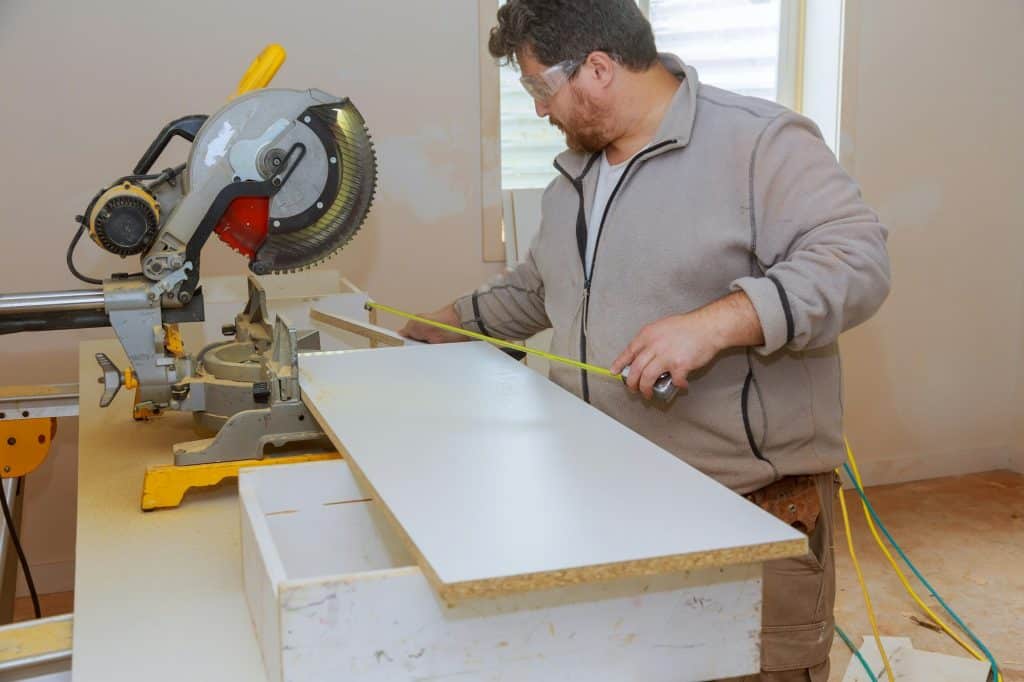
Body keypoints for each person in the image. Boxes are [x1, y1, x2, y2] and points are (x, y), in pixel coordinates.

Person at [400, 1, 890, 679]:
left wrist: (716, 324)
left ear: (597, 69)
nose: (541, 111)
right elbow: (542, 292)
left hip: (745, 518)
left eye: (542, 89)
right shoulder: (576, 178)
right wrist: (433, 325)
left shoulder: (758, 143)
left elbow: (857, 260)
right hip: (604, 508)